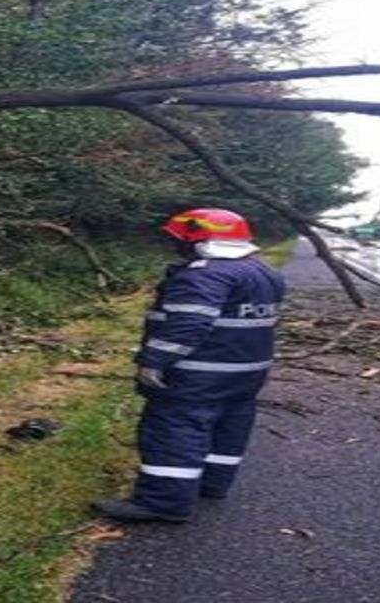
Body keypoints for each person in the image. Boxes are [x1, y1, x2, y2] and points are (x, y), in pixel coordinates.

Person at [93, 208, 285, 522]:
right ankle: (212, 484)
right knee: (229, 427)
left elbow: (188, 324)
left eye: (179, 240)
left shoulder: (203, 274)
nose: (176, 246)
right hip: (246, 373)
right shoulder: (263, 273)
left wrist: (153, 362)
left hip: (198, 375)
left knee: (174, 431)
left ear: (197, 238)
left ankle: (162, 503)